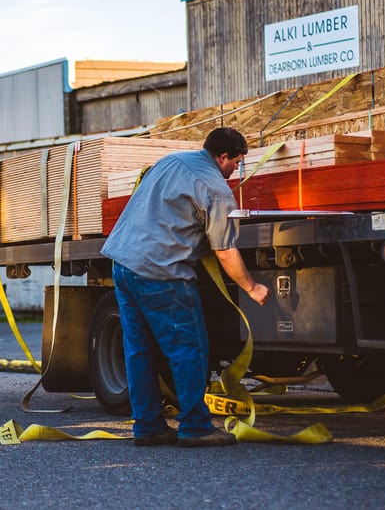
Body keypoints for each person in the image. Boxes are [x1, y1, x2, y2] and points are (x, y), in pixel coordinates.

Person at [101, 127, 270, 447]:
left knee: (139, 351)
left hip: (123, 265)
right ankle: (195, 426)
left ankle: (147, 426)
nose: (237, 169)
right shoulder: (216, 189)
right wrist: (251, 287)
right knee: (188, 349)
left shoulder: (171, 161)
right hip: (161, 273)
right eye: (236, 162)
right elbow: (225, 251)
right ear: (222, 157)